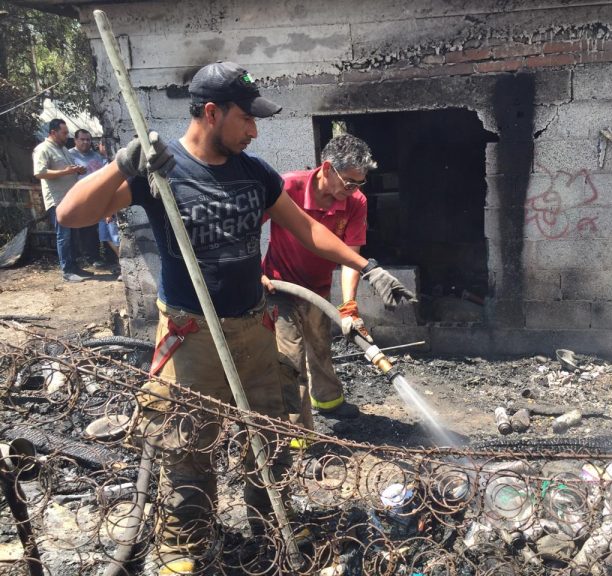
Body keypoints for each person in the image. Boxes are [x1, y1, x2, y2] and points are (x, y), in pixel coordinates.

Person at [56, 60, 415, 574]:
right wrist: (121, 164)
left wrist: (367, 266)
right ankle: (186, 546)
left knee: (268, 436)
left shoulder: (256, 175)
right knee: (186, 444)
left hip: (254, 330)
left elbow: (306, 229)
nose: (254, 129)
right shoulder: (162, 171)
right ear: (210, 112)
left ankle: (273, 525)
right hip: (191, 335)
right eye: (246, 118)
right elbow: (72, 216)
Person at [261, 134, 377, 432]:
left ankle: (329, 401)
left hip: (318, 289)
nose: (353, 191)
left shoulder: (355, 202)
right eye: (349, 183)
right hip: (278, 287)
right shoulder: (287, 187)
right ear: (327, 168)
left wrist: (349, 305)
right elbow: (247, 229)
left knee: (320, 347)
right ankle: (296, 430)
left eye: (359, 184)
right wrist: (252, 271)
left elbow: (352, 256)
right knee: (290, 358)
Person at [33, 118, 88, 282]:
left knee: (73, 234)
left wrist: (77, 170)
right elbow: (39, 173)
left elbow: (67, 169)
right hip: (57, 201)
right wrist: (65, 172)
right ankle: (67, 272)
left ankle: (75, 268)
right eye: (64, 133)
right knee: (63, 235)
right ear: (53, 133)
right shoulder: (42, 149)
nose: (66, 136)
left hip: (70, 198)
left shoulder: (63, 149)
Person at [70, 129, 109, 269]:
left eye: (88, 139)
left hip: (99, 197)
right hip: (81, 197)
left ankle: (107, 257)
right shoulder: (70, 155)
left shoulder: (96, 155)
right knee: (86, 229)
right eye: (82, 139)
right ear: (75, 140)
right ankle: (91, 257)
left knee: (104, 227)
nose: (86, 142)